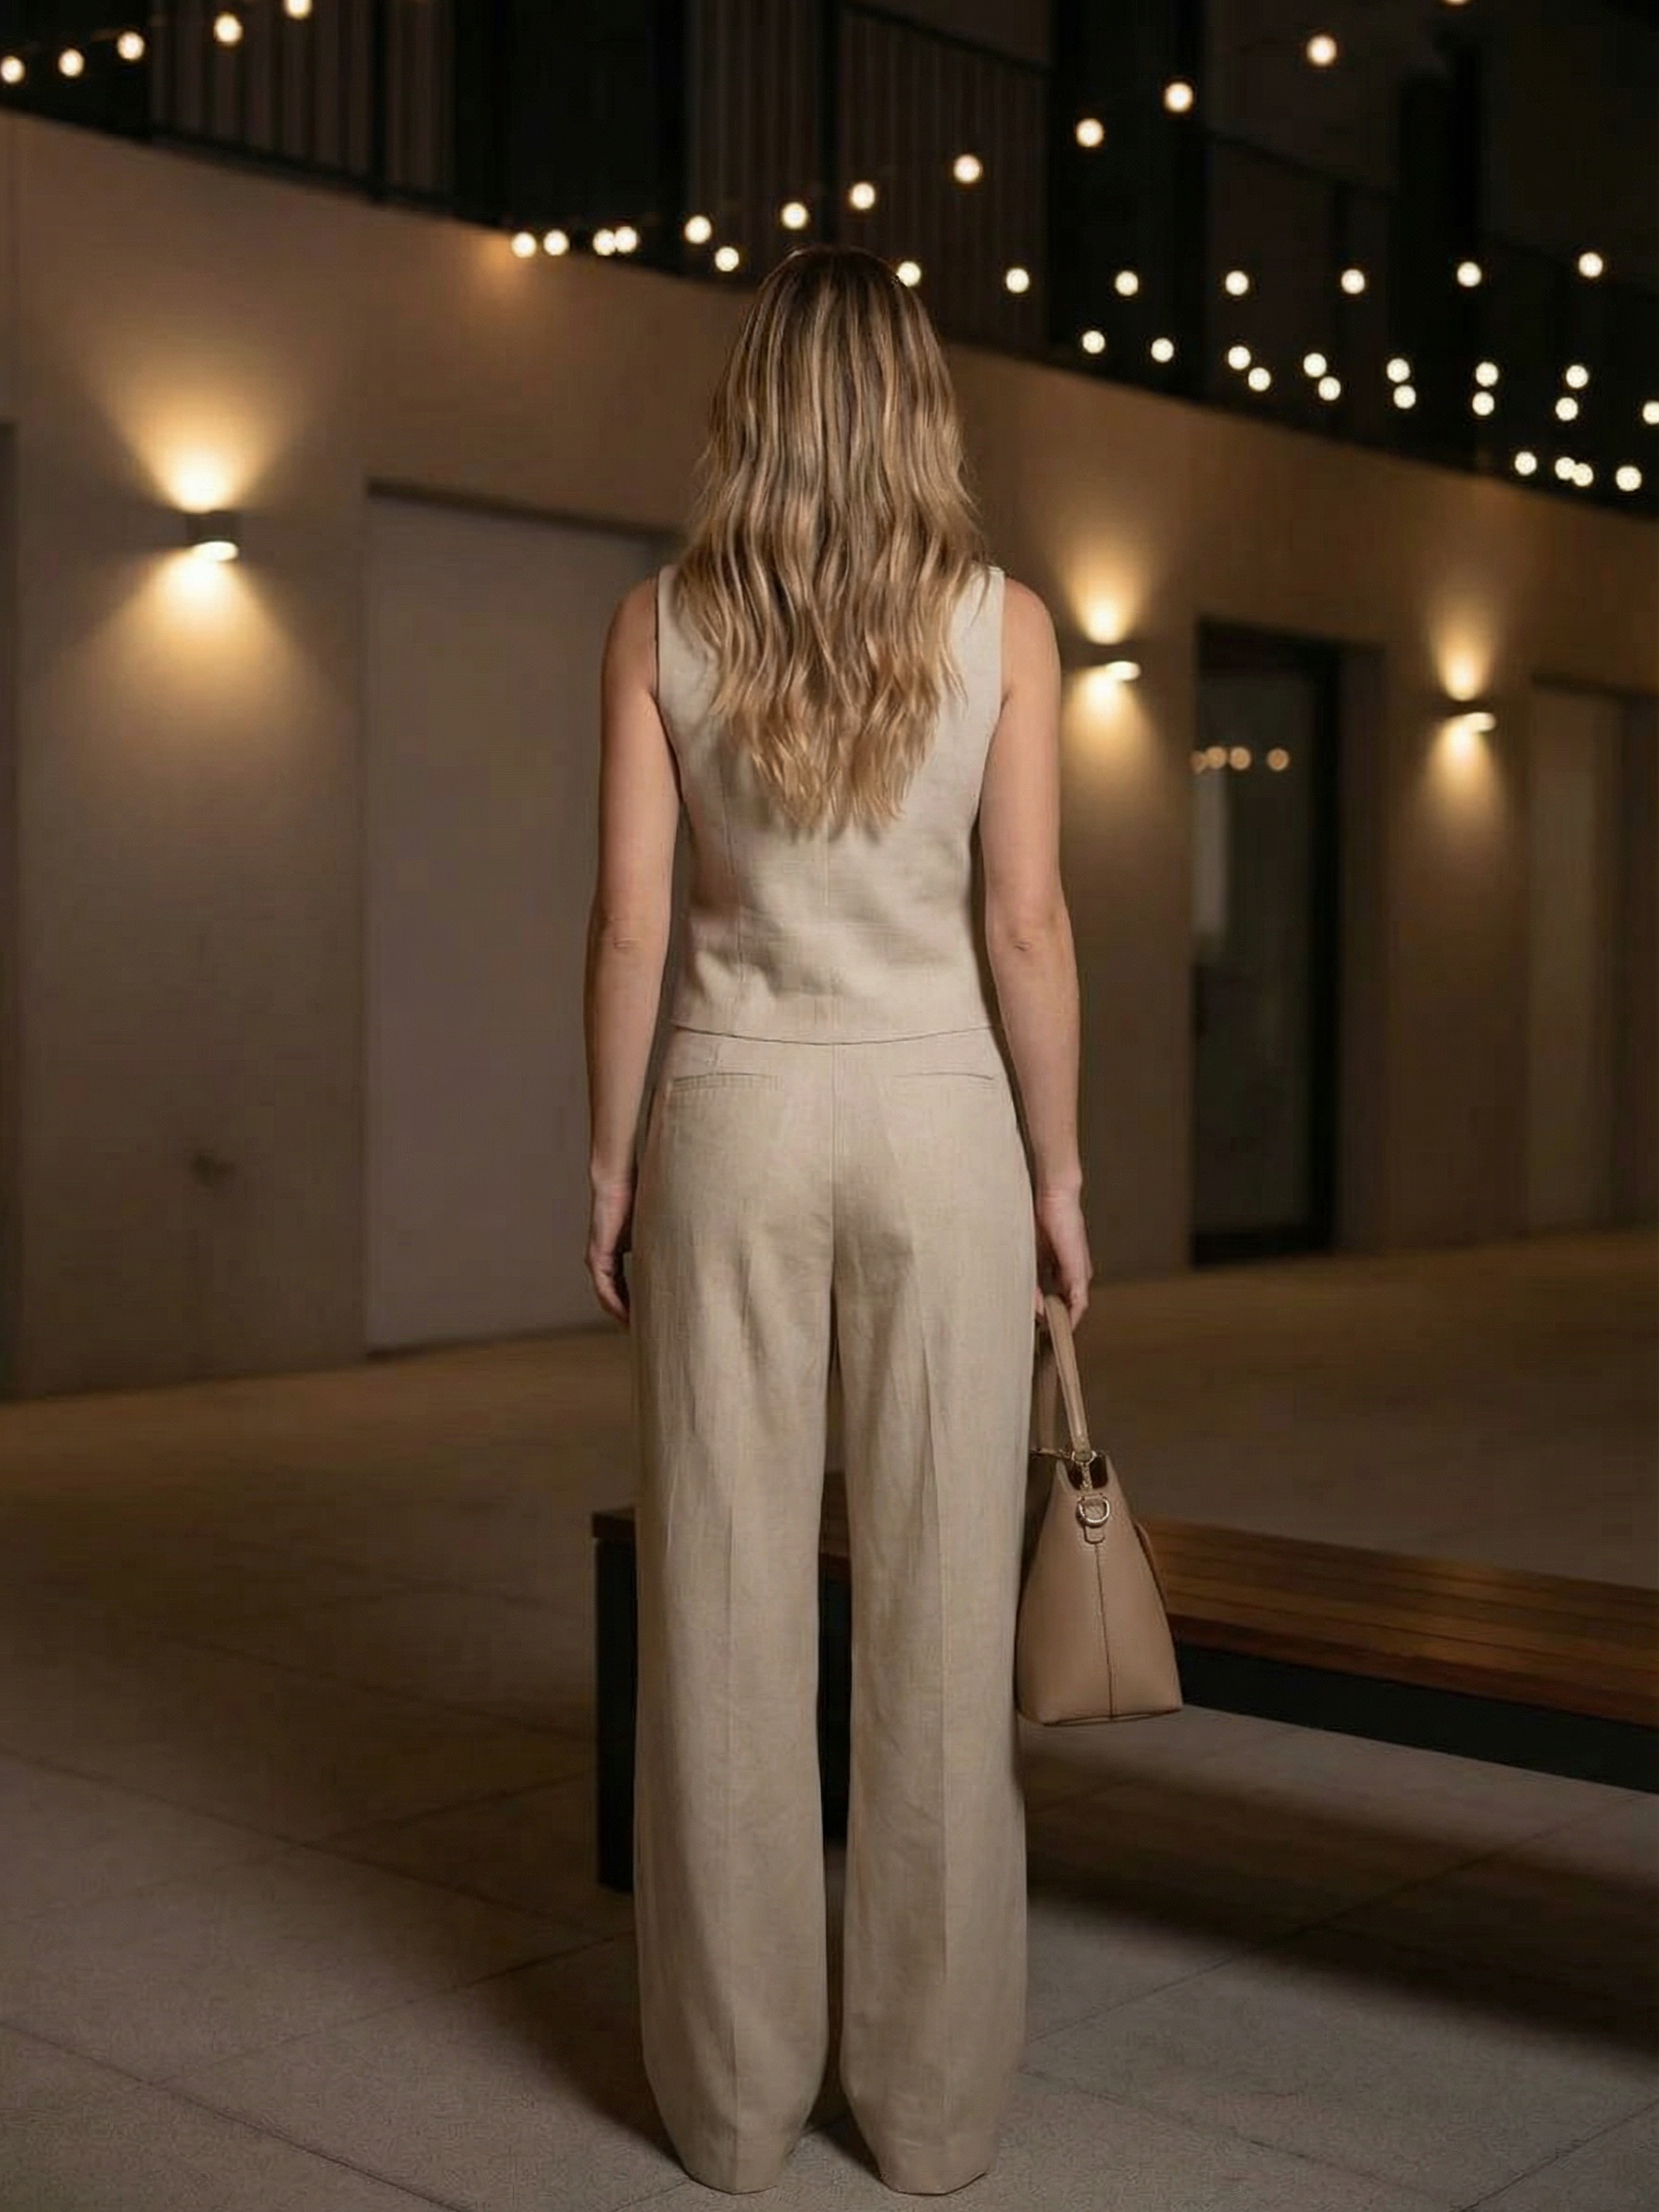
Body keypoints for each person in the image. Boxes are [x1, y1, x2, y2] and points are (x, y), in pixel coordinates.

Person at [582, 243, 1091, 2196]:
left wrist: (612, 1160)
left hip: (729, 1106)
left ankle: (726, 2114)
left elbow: (633, 920)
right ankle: (930, 2116)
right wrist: (1054, 1175)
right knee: (940, 1626)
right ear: (914, 408)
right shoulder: (1005, 626)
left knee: (717, 1613)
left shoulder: (653, 622)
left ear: (754, 408)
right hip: (940, 1121)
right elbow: (1023, 923)